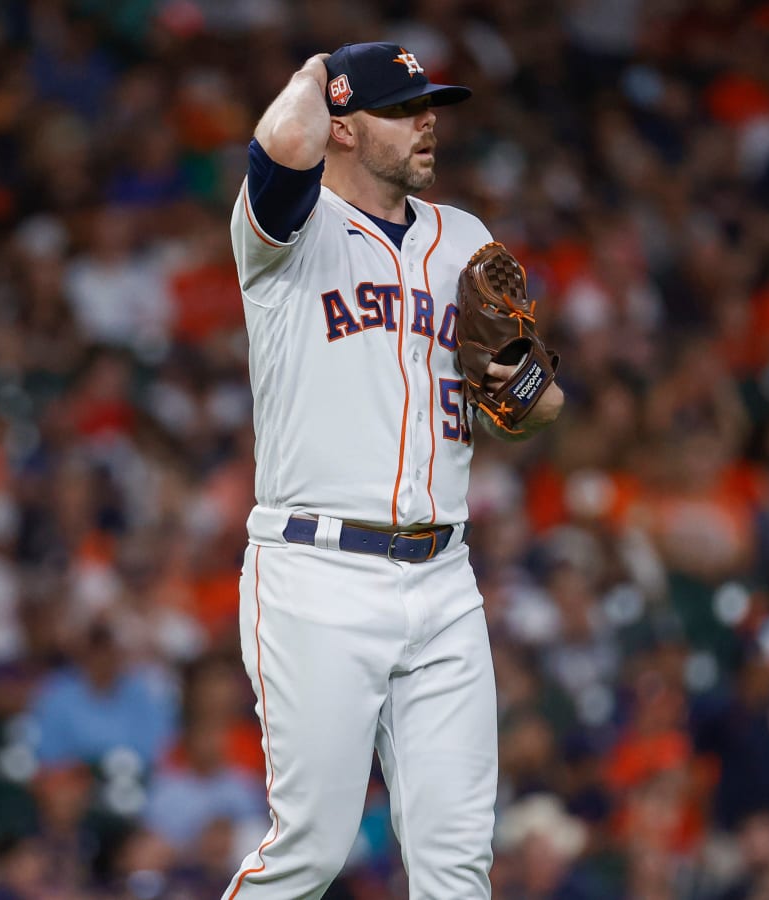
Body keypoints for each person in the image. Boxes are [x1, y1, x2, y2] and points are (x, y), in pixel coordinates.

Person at [224, 41, 564, 899]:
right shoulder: (285, 232)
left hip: (445, 576)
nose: (426, 124)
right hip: (317, 574)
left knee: (458, 866)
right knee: (309, 850)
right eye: (402, 109)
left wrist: (519, 386)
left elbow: (539, 404)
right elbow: (277, 149)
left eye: (431, 108)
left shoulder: (466, 239)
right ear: (341, 126)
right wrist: (313, 72)